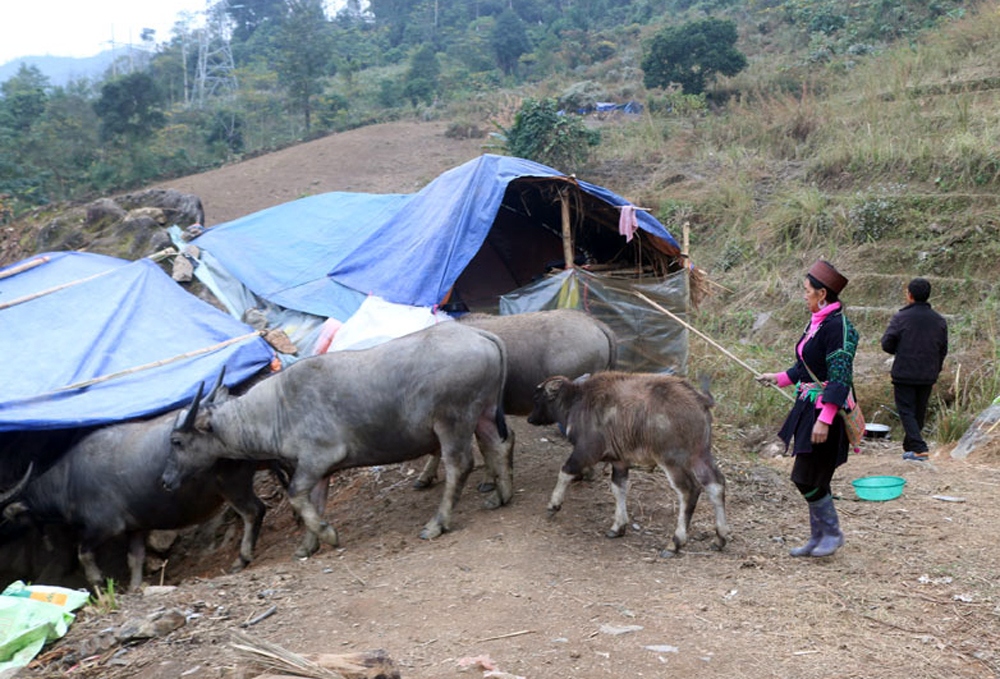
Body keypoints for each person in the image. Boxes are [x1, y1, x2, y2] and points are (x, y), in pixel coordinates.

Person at [757, 260, 859, 558]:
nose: (804, 295)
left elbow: (840, 377)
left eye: (807, 290)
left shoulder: (838, 328)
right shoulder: (818, 322)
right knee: (813, 477)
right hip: (808, 407)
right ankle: (818, 536)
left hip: (826, 414)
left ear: (822, 294)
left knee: (806, 477)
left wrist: (825, 419)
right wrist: (777, 378)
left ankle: (832, 533)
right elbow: (805, 368)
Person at [880, 277, 948, 462]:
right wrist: (936, 369)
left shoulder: (901, 317)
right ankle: (911, 446)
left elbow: (887, 344)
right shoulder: (939, 321)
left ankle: (919, 448)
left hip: (905, 372)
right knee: (919, 411)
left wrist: (901, 349)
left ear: (909, 295)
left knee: (906, 411)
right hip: (928, 374)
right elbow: (943, 349)